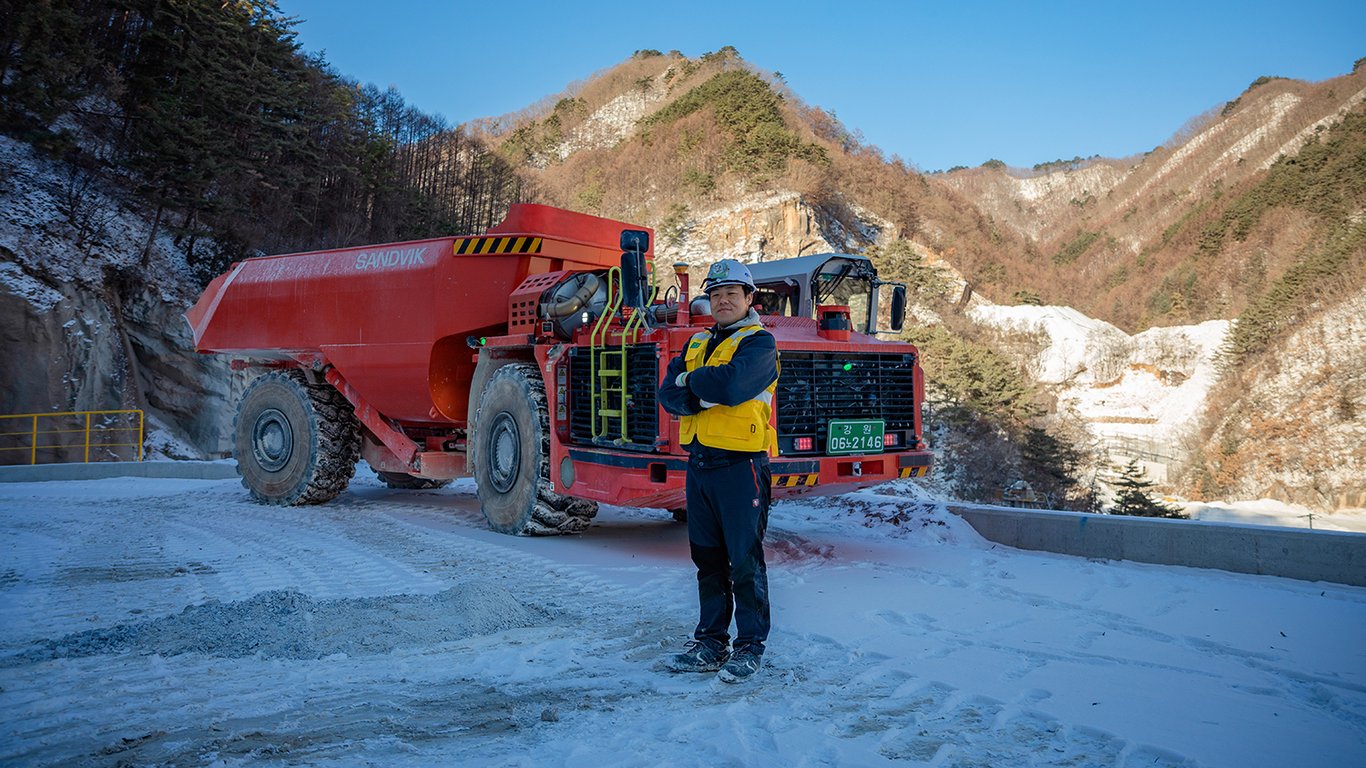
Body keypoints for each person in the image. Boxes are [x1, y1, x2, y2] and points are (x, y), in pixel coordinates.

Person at [657, 258, 779, 683]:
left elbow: (732, 386)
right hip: (701, 465)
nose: (722, 300)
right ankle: (710, 641)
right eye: (715, 294)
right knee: (706, 559)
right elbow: (666, 395)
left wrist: (691, 384)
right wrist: (699, 390)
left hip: (740, 466)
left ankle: (749, 646)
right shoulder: (694, 344)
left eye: (731, 294)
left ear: (749, 299)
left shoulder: (760, 344)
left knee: (744, 560)